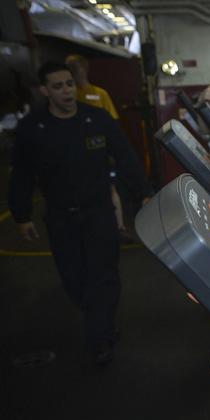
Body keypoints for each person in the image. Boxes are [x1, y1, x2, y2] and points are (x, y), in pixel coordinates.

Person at [9, 61, 152, 365]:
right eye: (58, 86)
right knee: (74, 280)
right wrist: (21, 215)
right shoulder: (33, 129)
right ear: (45, 91)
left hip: (98, 213)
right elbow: (21, 174)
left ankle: (100, 339)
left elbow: (125, 157)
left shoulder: (96, 119)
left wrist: (143, 192)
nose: (66, 91)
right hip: (61, 217)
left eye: (69, 84)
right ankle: (100, 321)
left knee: (103, 277)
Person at [64, 54, 129, 239]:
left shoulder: (99, 94)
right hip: (75, 154)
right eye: (71, 68)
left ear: (85, 69)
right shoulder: (70, 96)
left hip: (99, 152)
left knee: (110, 189)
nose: (75, 72)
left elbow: (113, 124)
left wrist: (112, 151)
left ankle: (119, 227)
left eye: (77, 67)